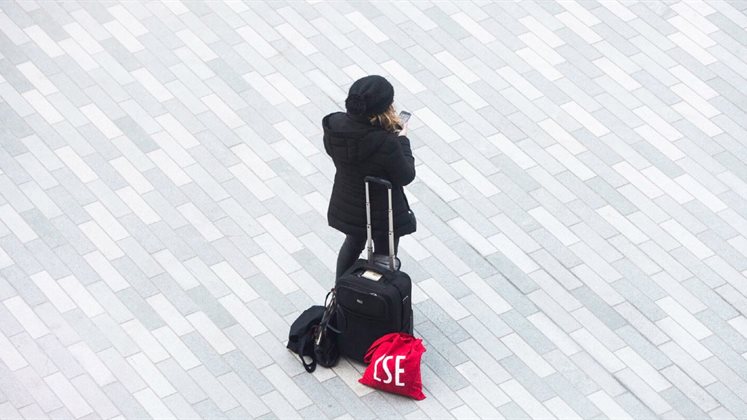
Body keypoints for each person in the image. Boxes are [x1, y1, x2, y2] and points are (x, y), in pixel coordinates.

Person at [322, 75, 417, 279]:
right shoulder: (386, 143)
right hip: (383, 211)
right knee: (384, 254)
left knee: (353, 242)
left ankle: (341, 291)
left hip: (348, 203)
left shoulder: (334, 125)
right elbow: (406, 175)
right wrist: (403, 141)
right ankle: (374, 300)